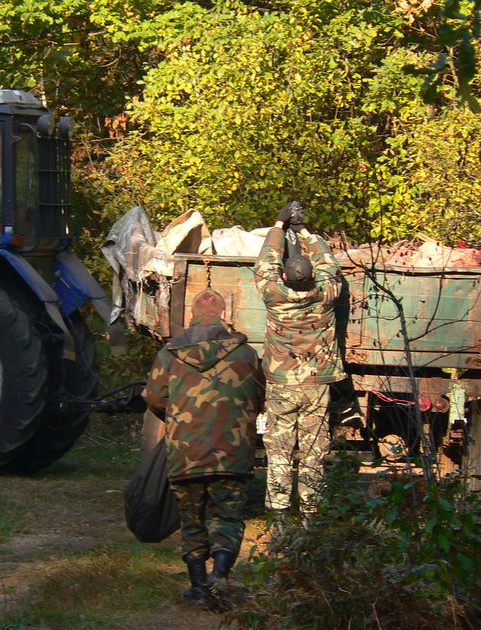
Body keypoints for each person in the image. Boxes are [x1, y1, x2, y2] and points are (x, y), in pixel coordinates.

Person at [142, 288, 263, 607]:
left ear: (191, 317)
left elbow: (154, 397)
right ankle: (218, 578)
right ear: (224, 316)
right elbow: (258, 397)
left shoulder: (169, 353)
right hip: (233, 453)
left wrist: (177, 417)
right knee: (228, 517)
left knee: (191, 518)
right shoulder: (246, 354)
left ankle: (198, 586)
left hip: (186, 451)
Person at [254, 201, 346, 515]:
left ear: (284, 275)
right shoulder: (326, 294)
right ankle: (311, 512)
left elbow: (265, 260)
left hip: (281, 382)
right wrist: (305, 231)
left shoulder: (273, 294)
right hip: (317, 382)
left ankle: (278, 513)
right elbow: (328, 262)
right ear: (311, 277)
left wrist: (279, 226)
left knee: (278, 448)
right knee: (313, 449)